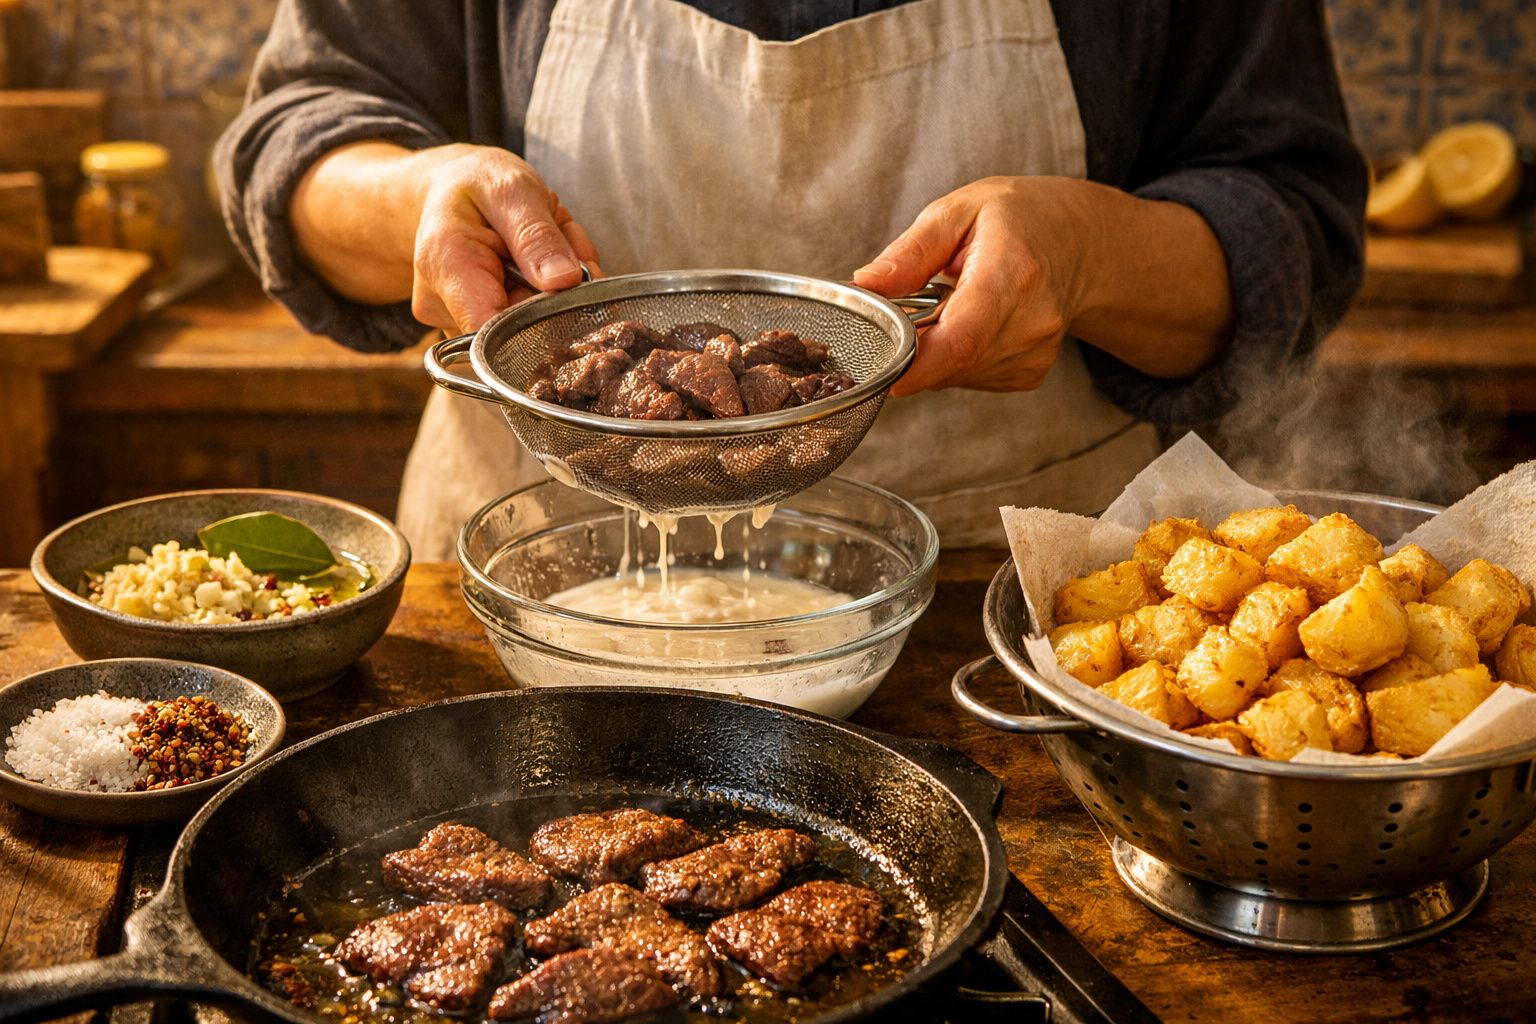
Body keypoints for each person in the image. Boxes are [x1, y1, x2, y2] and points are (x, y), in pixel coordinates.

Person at [216, 0, 1366, 560]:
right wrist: (418, 198)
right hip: (542, 578)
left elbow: (1293, 219)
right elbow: (295, 133)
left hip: (1000, 605)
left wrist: (1089, 253)